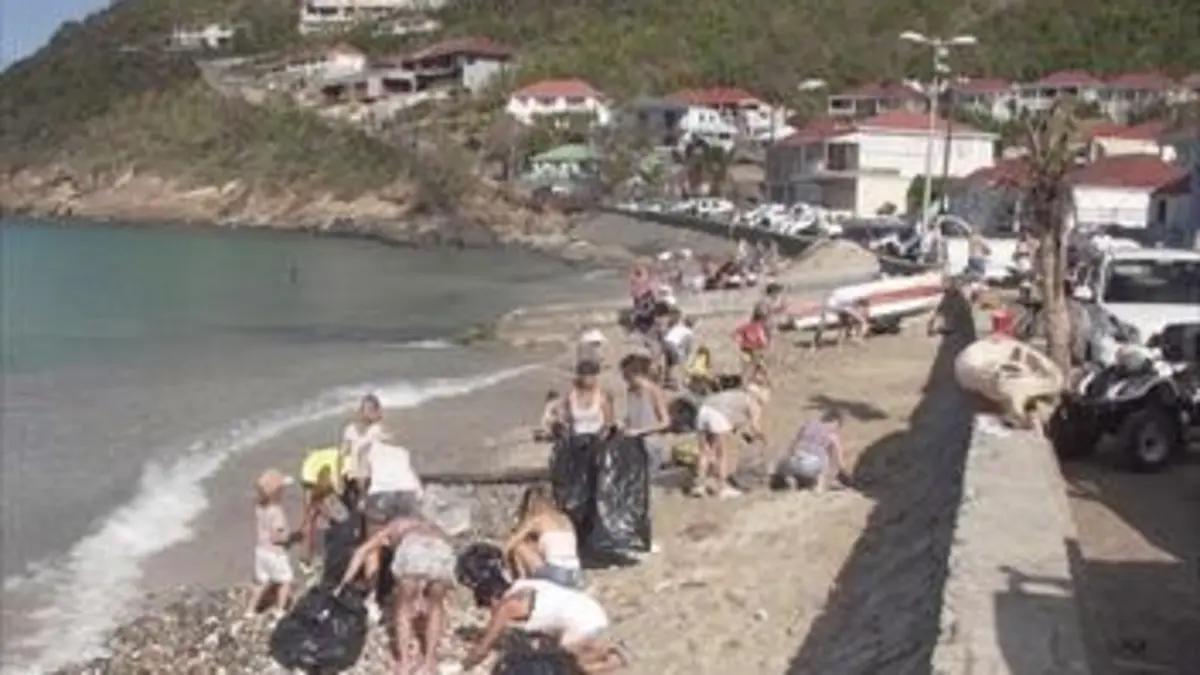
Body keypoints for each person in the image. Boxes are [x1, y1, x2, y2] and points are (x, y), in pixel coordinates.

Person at [456, 544, 628, 674]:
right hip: (591, 610)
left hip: (581, 623)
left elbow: (484, 648)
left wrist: (463, 666)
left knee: (569, 667)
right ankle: (605, 650)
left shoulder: (508, 606)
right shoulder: (524, 585)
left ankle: (613, 661)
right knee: (558, 653)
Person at [337, 516, 454, 675]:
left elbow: (362, 551)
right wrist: (421, 597)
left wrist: (343, 584)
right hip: (441, 550)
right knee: (436, 606)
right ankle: (430, 661)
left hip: (412, 548)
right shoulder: (431, 524)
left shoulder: (394, 526)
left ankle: (404, 662)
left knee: (403, 607)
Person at [692, 381, 770, 499]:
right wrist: (763, 438)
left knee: (704, 452)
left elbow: (736, 422)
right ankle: (722, 488)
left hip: (704, 409)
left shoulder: (736, 395)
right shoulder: (753, 402)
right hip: (719, 415)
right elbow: (755, 427)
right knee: (722, 454)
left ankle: (699, 485)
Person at [503, 487, 583, 588]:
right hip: (576, 574)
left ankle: (522, 583)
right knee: (533, 546)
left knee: (520, 547)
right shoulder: (565, 519)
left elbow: (511, 543)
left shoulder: (538, 520)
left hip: (557, 573)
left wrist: (505, 559)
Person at [246, 469, 299, 618]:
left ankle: (250, 610)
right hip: (275, 553)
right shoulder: (277, 512)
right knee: (285, 580)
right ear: (277, 493)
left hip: (261, 550)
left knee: (262, 582)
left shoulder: (259, 507)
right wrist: (289, 538)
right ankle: (280, 610)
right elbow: (276, 537)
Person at [298, 448, 351, 572]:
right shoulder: (340, 469)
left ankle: (312, 556)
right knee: (310, 518)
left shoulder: (345, 462)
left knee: (317, 517)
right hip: (313, 474)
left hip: (316, 468)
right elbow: (339, 489)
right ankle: (306, 558)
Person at [773, 409, 849, 492]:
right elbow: (838, 458)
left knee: (784, 462)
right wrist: (843, 472)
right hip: (812, 466)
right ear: (836, 422)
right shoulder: (832, 435)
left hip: (794, 462)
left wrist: (789, 457)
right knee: (824, 458)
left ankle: (789, 478)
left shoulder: (808, 424)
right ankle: (818, 486)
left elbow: (793, 445)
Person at [620, 353, 671, 470]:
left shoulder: (653, 391)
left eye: (626, 375)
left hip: (650, 444)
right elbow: (633, 414)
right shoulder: (630, 390)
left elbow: (665, 422)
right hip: (634, 444)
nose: (624, 378)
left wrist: (640, 431)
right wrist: (624, 423)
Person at [342, 394, 390, 504]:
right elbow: (344, 451)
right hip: (354, 474)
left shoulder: (377, 430)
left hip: (371, 475)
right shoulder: (350, 429)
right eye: (367, 410)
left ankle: (363, 497)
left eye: (372, 410)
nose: (369, 413)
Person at [661, 309, 695, 389]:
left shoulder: (679, 326)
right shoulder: (689, 332)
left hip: (665, 342)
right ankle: (684, 381)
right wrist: (686, 357)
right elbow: (687, 348)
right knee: (681, 362)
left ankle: (667, 380)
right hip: (673, 344)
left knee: (669, 363)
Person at [734, 308, 770, 379]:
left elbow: (736, 332)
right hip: (755, 349)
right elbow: (762, 339)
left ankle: (751, 377)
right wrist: (764, 344)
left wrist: (740, 341)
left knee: (749, 365)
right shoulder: (758, 327)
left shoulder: (746, 325)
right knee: (759, 365)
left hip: (745, 348)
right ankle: (762, 378)